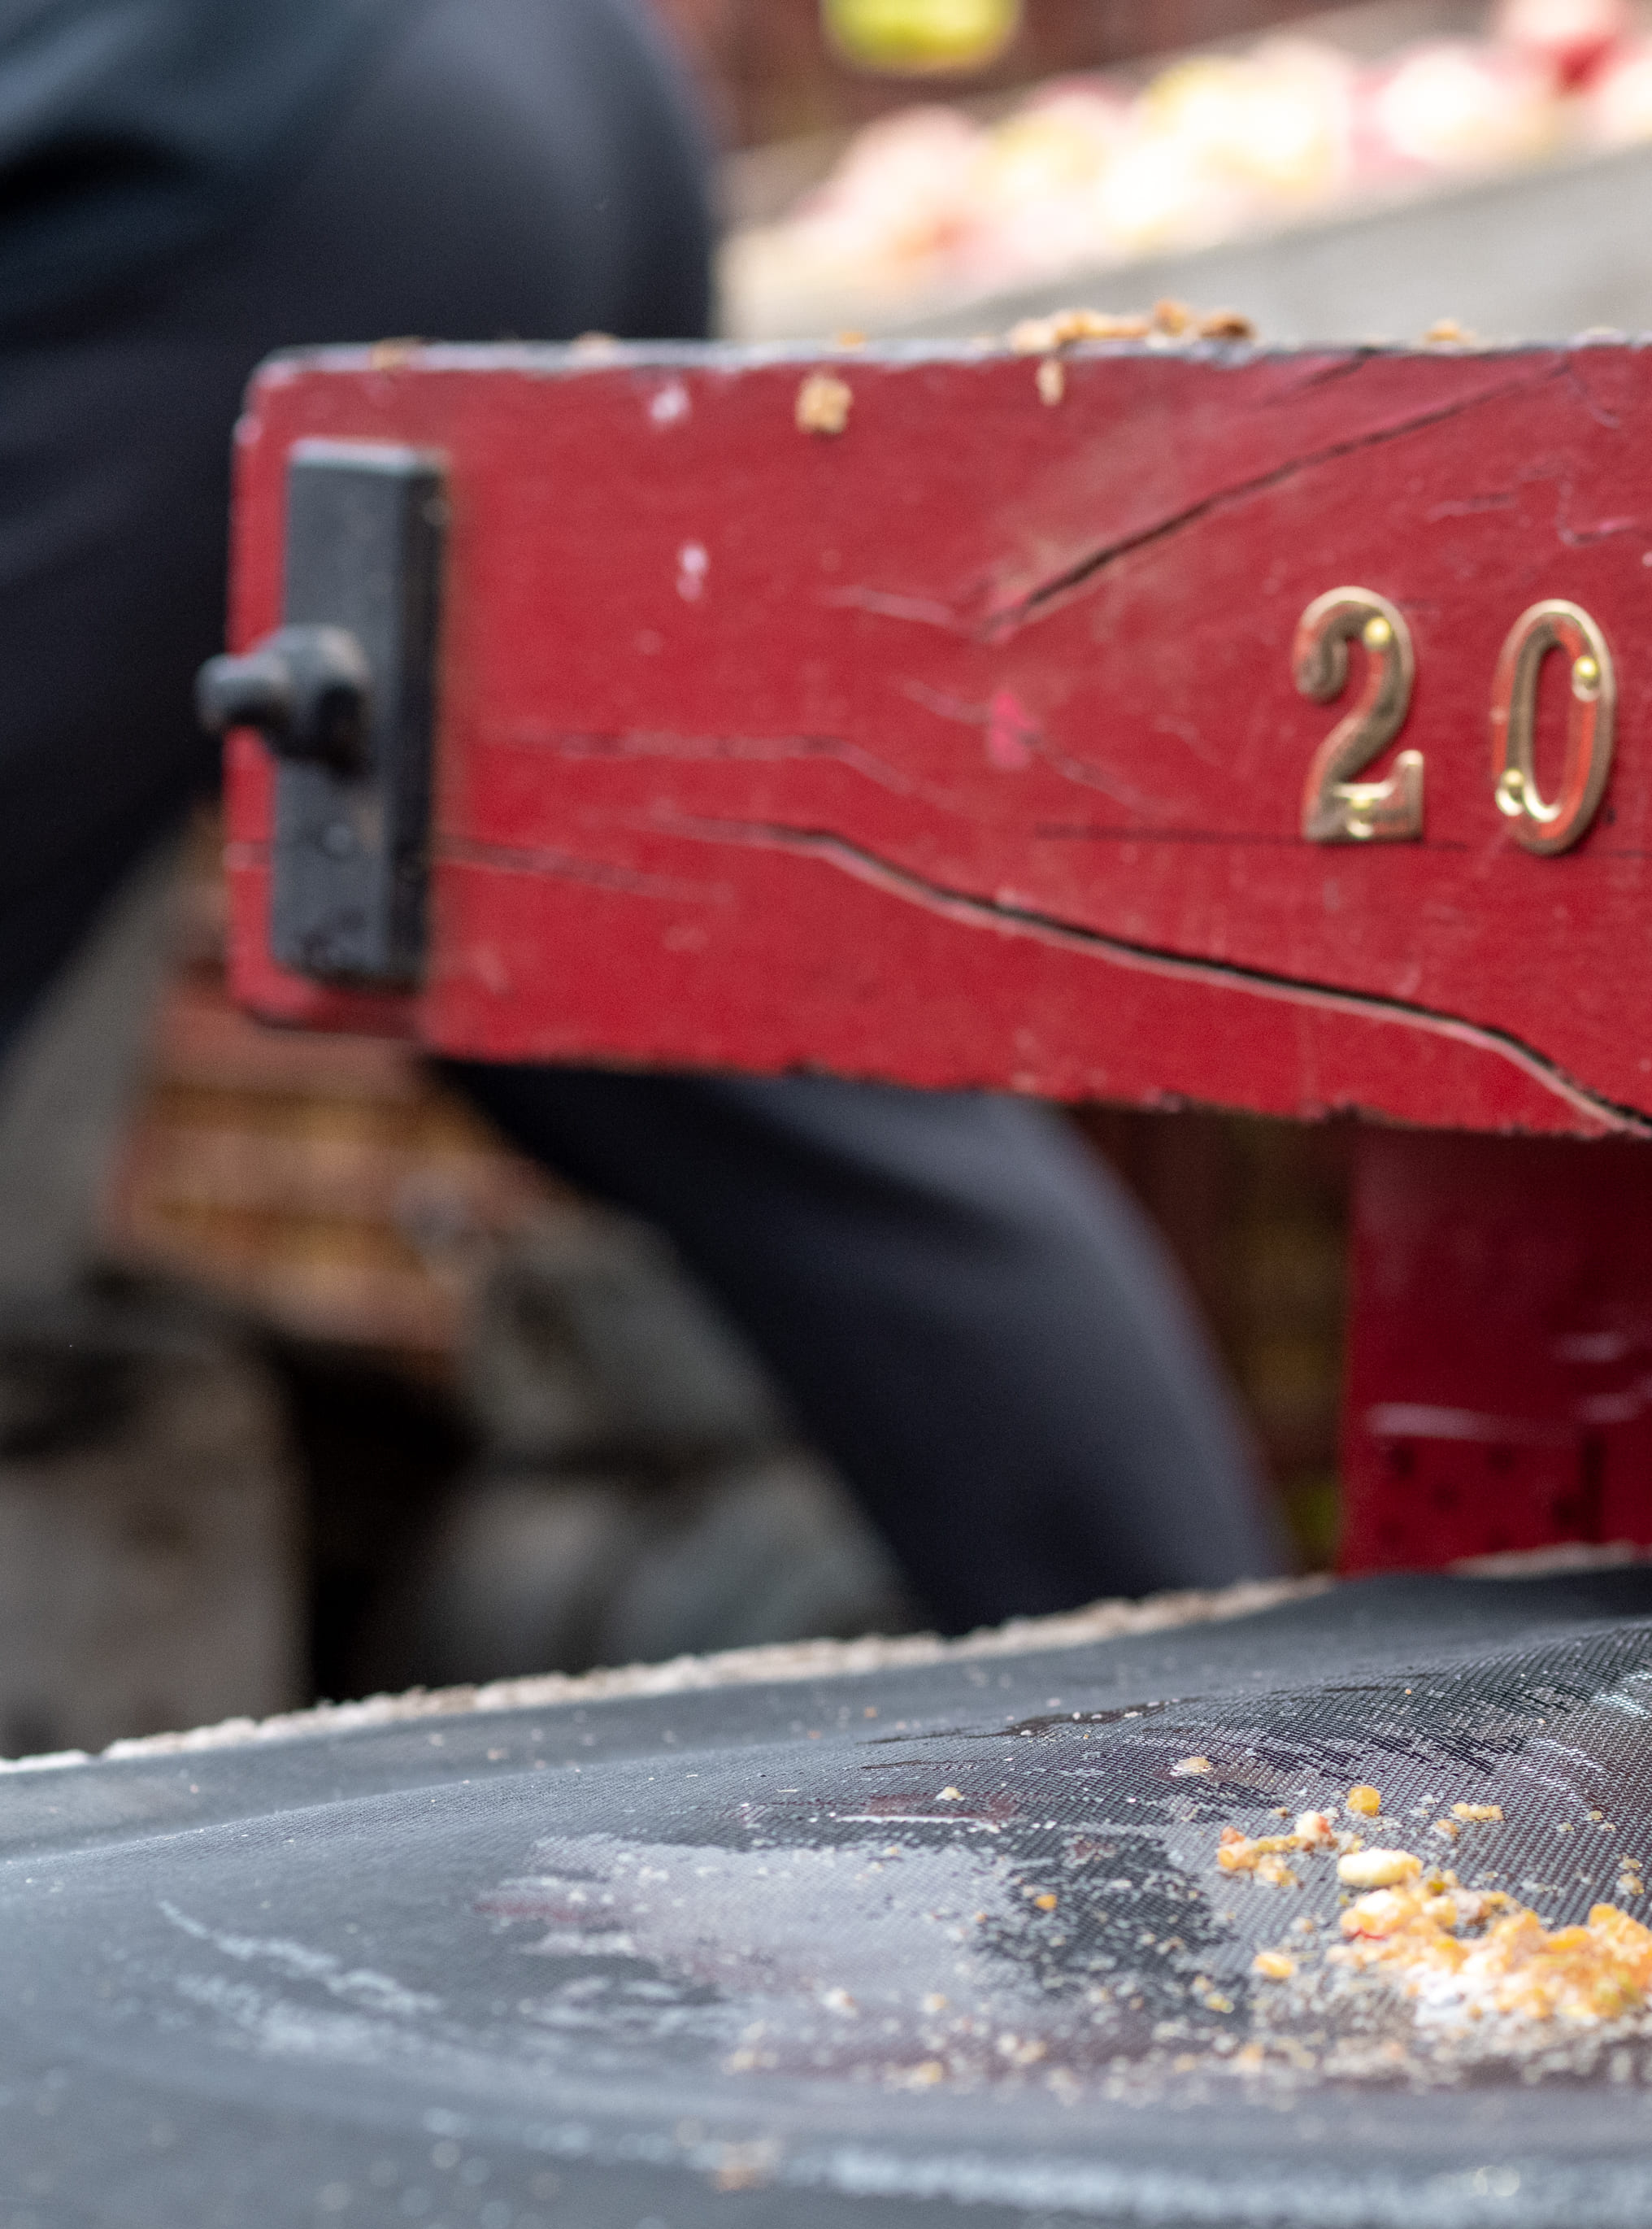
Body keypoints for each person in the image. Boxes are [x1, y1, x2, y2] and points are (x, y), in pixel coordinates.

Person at [0, 0, 1288, 1631]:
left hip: (246, 142)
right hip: (538, 86)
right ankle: (1226, 1702)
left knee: (715, 1028)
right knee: (718, 1024)